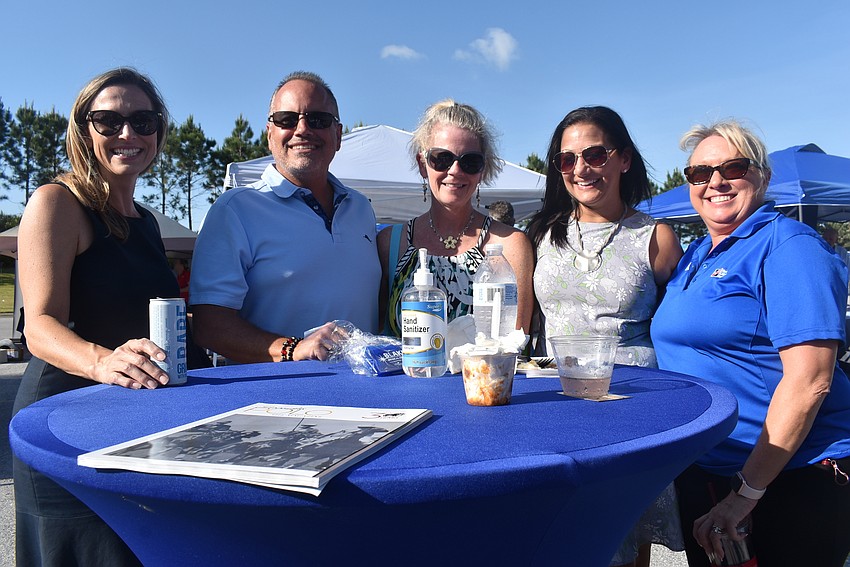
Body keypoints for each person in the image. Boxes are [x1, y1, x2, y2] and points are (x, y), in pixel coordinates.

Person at [651, 120, 850, 566]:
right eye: (699, 174)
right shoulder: (699, 253)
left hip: (787, 478)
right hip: (714, 470)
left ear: (761, 175)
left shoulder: (789, 245)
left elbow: (810, 381)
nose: (715, 182)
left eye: (732, 167)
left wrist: (746, 494)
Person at [12, 67, 181, 566]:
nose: (127, 134)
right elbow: (39, 326)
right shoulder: (57, 202)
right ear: (84, 131)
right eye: (107, 121)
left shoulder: (146, 222)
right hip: (65, 427)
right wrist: (102, 362)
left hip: (132, 427)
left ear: (158, 131)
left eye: (142, 121)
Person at [526, 105, 684, 567]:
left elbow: (678, 328)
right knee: (561, 531)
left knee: (628, 530)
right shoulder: (540, 234)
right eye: (567, 159)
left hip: (633, 403)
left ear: (624, 159)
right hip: (554, 400)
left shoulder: (656, 237)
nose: (580, 169)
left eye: (594, 154)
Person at [190, 71, 380, 363]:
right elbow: (209, 326)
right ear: (270, 134)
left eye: (318, 120)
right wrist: (293, 348)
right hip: (277, 398)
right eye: (287, 120)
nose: (302, 129)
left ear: (338, 135)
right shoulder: (235, 210)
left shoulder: (360, 207)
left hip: (366, 392)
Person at [377, 100, 534, 336]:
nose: (455, 171)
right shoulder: (390, 244)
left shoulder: (510, 245)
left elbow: (516, 341)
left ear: (482, 170)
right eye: (442, 158)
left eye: (470, 161)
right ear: (422, 164)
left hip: (486, 373)